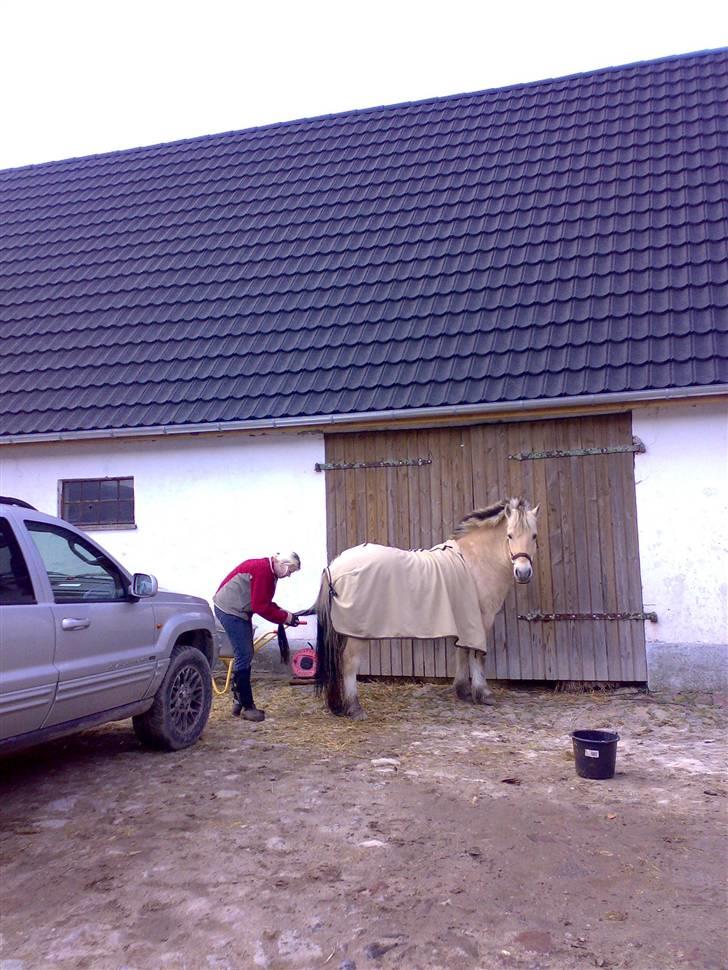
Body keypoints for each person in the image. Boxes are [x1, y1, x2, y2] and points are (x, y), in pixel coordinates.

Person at [213, 551, 301, 721]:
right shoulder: (263, 571)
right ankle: (247, 707)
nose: (289, 575)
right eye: (290, 571)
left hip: (238, 609)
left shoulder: (268, 570)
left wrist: (284, 613)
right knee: (244, 654)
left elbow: (263, 601)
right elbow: (260, 606)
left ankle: (238, 701)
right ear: (283, 564)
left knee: (245, 654)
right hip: (230, 610)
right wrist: (285, 617)